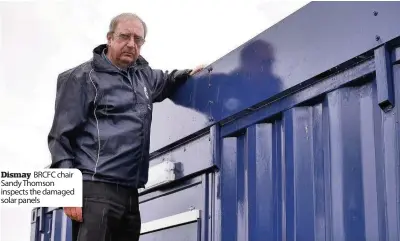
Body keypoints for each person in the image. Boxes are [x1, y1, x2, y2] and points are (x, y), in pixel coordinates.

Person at [47, 12, 204, 241]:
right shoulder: (81, 77)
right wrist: (67, 192)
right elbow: (60, 138)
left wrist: (188, 74)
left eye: (138, 40)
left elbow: (168, 81)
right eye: (124, 37)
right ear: (110, 38)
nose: (131, 44)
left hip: (131, 194)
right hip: (95, 189)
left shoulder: (144, 77)